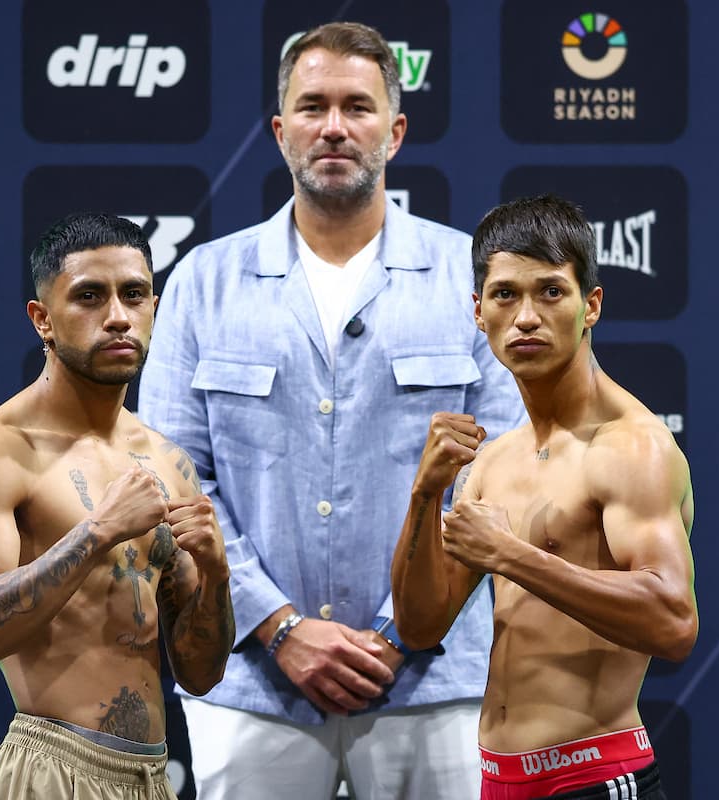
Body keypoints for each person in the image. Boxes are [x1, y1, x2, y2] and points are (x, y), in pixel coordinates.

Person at [138, 21, 526, 800]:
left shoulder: (473, 278)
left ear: (396, 129)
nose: (335, 126)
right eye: (313, 106)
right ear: (281, 131)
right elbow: (173, 481)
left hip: (434, 680)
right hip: (252, 685)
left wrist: (396, 630)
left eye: (358, 105)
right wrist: (279, 627)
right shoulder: (203, 283)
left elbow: (505, 476)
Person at [391, 195, 699, 800]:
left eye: (551, 291)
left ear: (592, 305)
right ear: (479, 312)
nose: (526, 316)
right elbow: (421, 626)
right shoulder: (493, 459)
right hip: (499, 780)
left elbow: (673, 621)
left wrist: (510, 556)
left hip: (594, 775)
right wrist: (425, 496)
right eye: (506, 295)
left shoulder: (632, 447)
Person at [0, 212, 233, 799]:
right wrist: (97, 531)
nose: (119, 317)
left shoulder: (168, 462)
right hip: (48, 767)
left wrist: (218, 574)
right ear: (42, 319)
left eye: (135, 294)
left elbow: (199, 673)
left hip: (149, 775)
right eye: (90, 297)